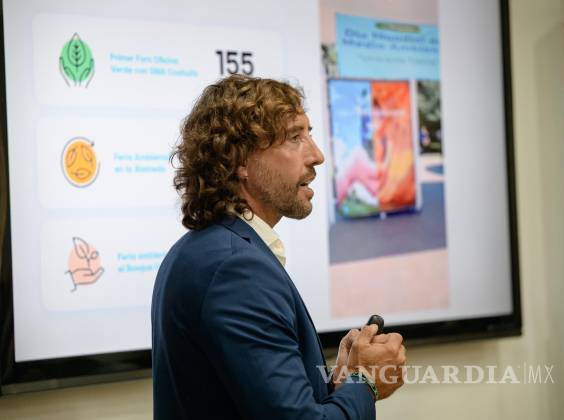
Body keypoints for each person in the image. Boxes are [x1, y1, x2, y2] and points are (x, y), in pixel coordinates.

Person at [151, 75, 406, 419]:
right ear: (240, 160)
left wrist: (340, 383)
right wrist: (367, 383)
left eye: (309, 134)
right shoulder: (236, 270)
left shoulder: (204, 250)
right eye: (295, 137)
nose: (317, 156)